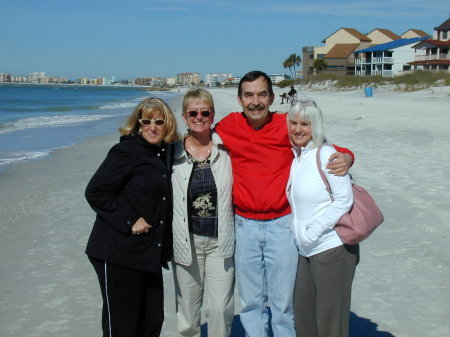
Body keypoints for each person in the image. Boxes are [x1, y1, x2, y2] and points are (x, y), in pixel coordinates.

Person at [215, 71, 354, 337]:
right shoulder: (228, 126)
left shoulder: (286, 125)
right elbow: (199, 139)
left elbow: (327, 147)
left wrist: (348, 157)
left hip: (282, 224)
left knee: (282, 304)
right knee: (251, 303)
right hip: (243, 225)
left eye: (261, 94)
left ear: (271, 97)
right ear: (239, 99)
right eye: (249, 95)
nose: (255, 101)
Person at [85, 98, 179, 337]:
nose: (153, 127)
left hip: (148, 252)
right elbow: (96, 191)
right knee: (122, 326)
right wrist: (130, 220)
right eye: (146, 121)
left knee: (151, 322)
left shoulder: (163, 152)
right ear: (138, 124)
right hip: (117, 252)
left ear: (168, 124)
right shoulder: (127, 150)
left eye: (159, 121)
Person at [286, 100, 359, 337]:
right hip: (305, 252)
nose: (298, 129)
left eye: (305, 124)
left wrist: (314, 231)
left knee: (330, 324)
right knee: (305, 319)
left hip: (331, 249)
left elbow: (343, 199)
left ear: (315, 126)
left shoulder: (325, 154)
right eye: (294, 123)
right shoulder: (298, 157)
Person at [172, 88, 235, 337]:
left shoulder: (227, 149)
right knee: (188, 314)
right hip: (187, 242)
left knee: (220, 309)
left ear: (212, 114)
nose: (199, 117)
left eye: (205, 112)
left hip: (221, 242)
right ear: (184, 116)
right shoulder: (172, 152)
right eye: (193, 113)